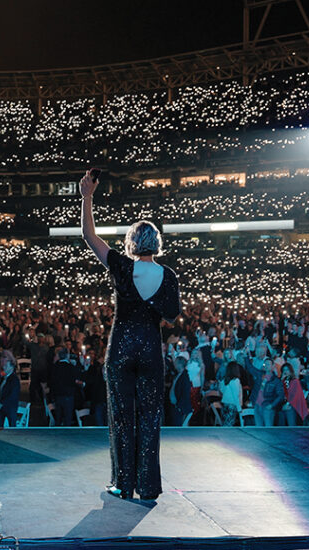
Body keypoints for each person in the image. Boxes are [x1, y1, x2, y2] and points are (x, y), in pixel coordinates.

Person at [80, 169, 181, 501]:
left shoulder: (122, 267)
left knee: (122, 415)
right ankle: (148, 486)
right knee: (151, 416)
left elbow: (89, 237)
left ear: (131, 244)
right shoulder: (167, 275)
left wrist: (87, 197)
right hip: (150, 349)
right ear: (156, 244)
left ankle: (122, 484)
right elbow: (171, 314)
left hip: (121, 347)